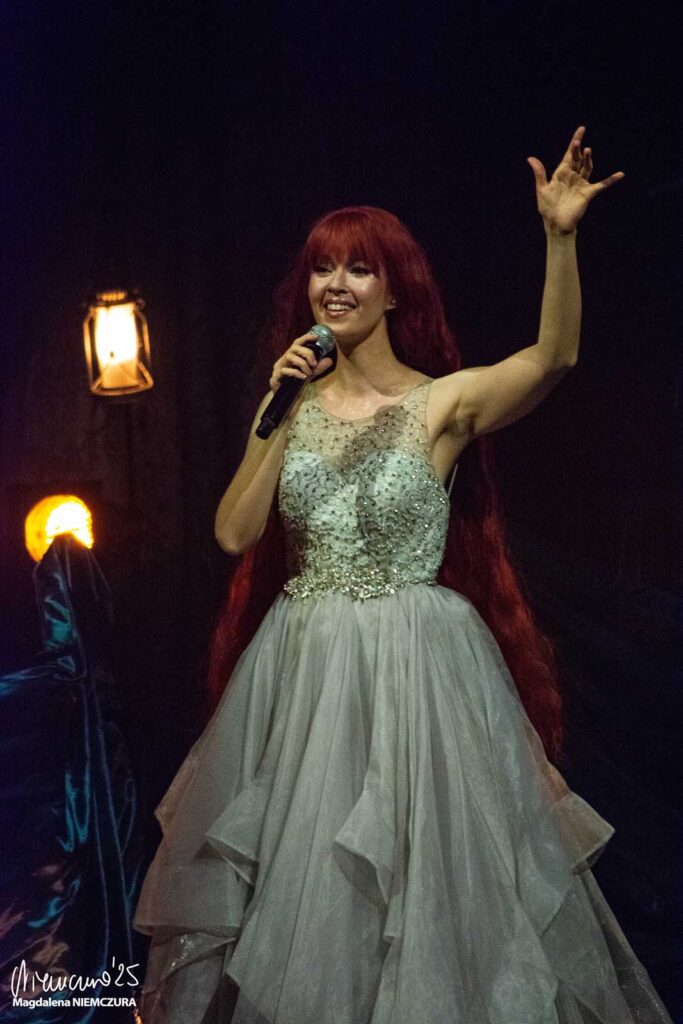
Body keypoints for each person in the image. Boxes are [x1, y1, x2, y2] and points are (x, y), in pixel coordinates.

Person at [133, 128, 672, 1024]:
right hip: (306, 670)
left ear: (393, 290)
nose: (335, 285)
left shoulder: (440, 402)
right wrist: (279, 409)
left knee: (422, 885)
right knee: (305, 880)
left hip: (417, 669)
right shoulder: (291, 401)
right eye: (321, 269)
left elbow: (552, 359)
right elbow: (233, 533)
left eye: (358, 268)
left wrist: (560, 238)